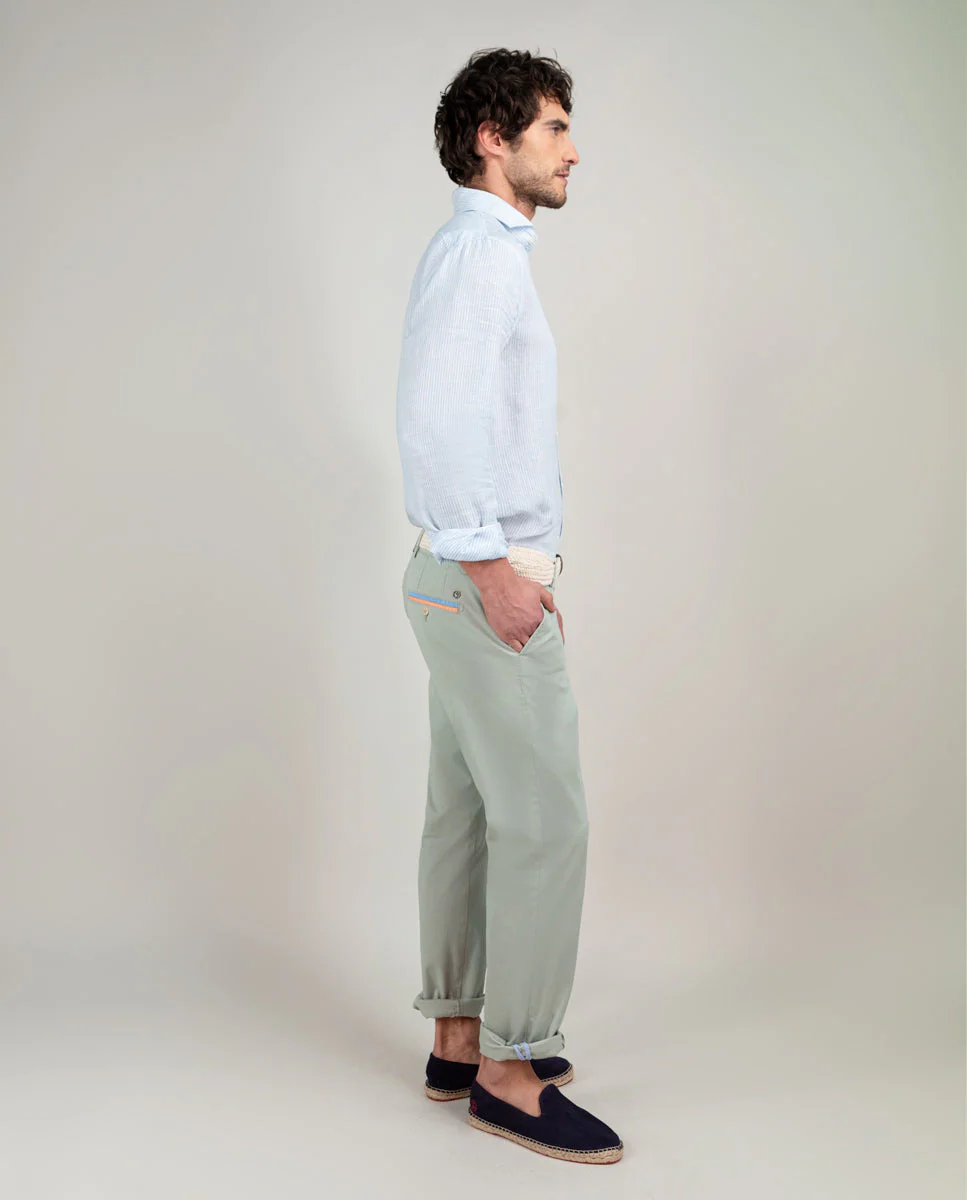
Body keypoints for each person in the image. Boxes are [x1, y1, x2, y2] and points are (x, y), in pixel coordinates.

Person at [395, 48, 623, 1165]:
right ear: (494, 139)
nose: (573, 150)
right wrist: (497, 570)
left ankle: (456, 1037)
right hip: (472, 579)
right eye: (553, 127)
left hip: (451, 580)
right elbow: (437, 419)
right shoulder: (481, 256)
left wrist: (490, 567)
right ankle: (513, 1067)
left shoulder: (475, 253)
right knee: (545, 822)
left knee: (467, 812)